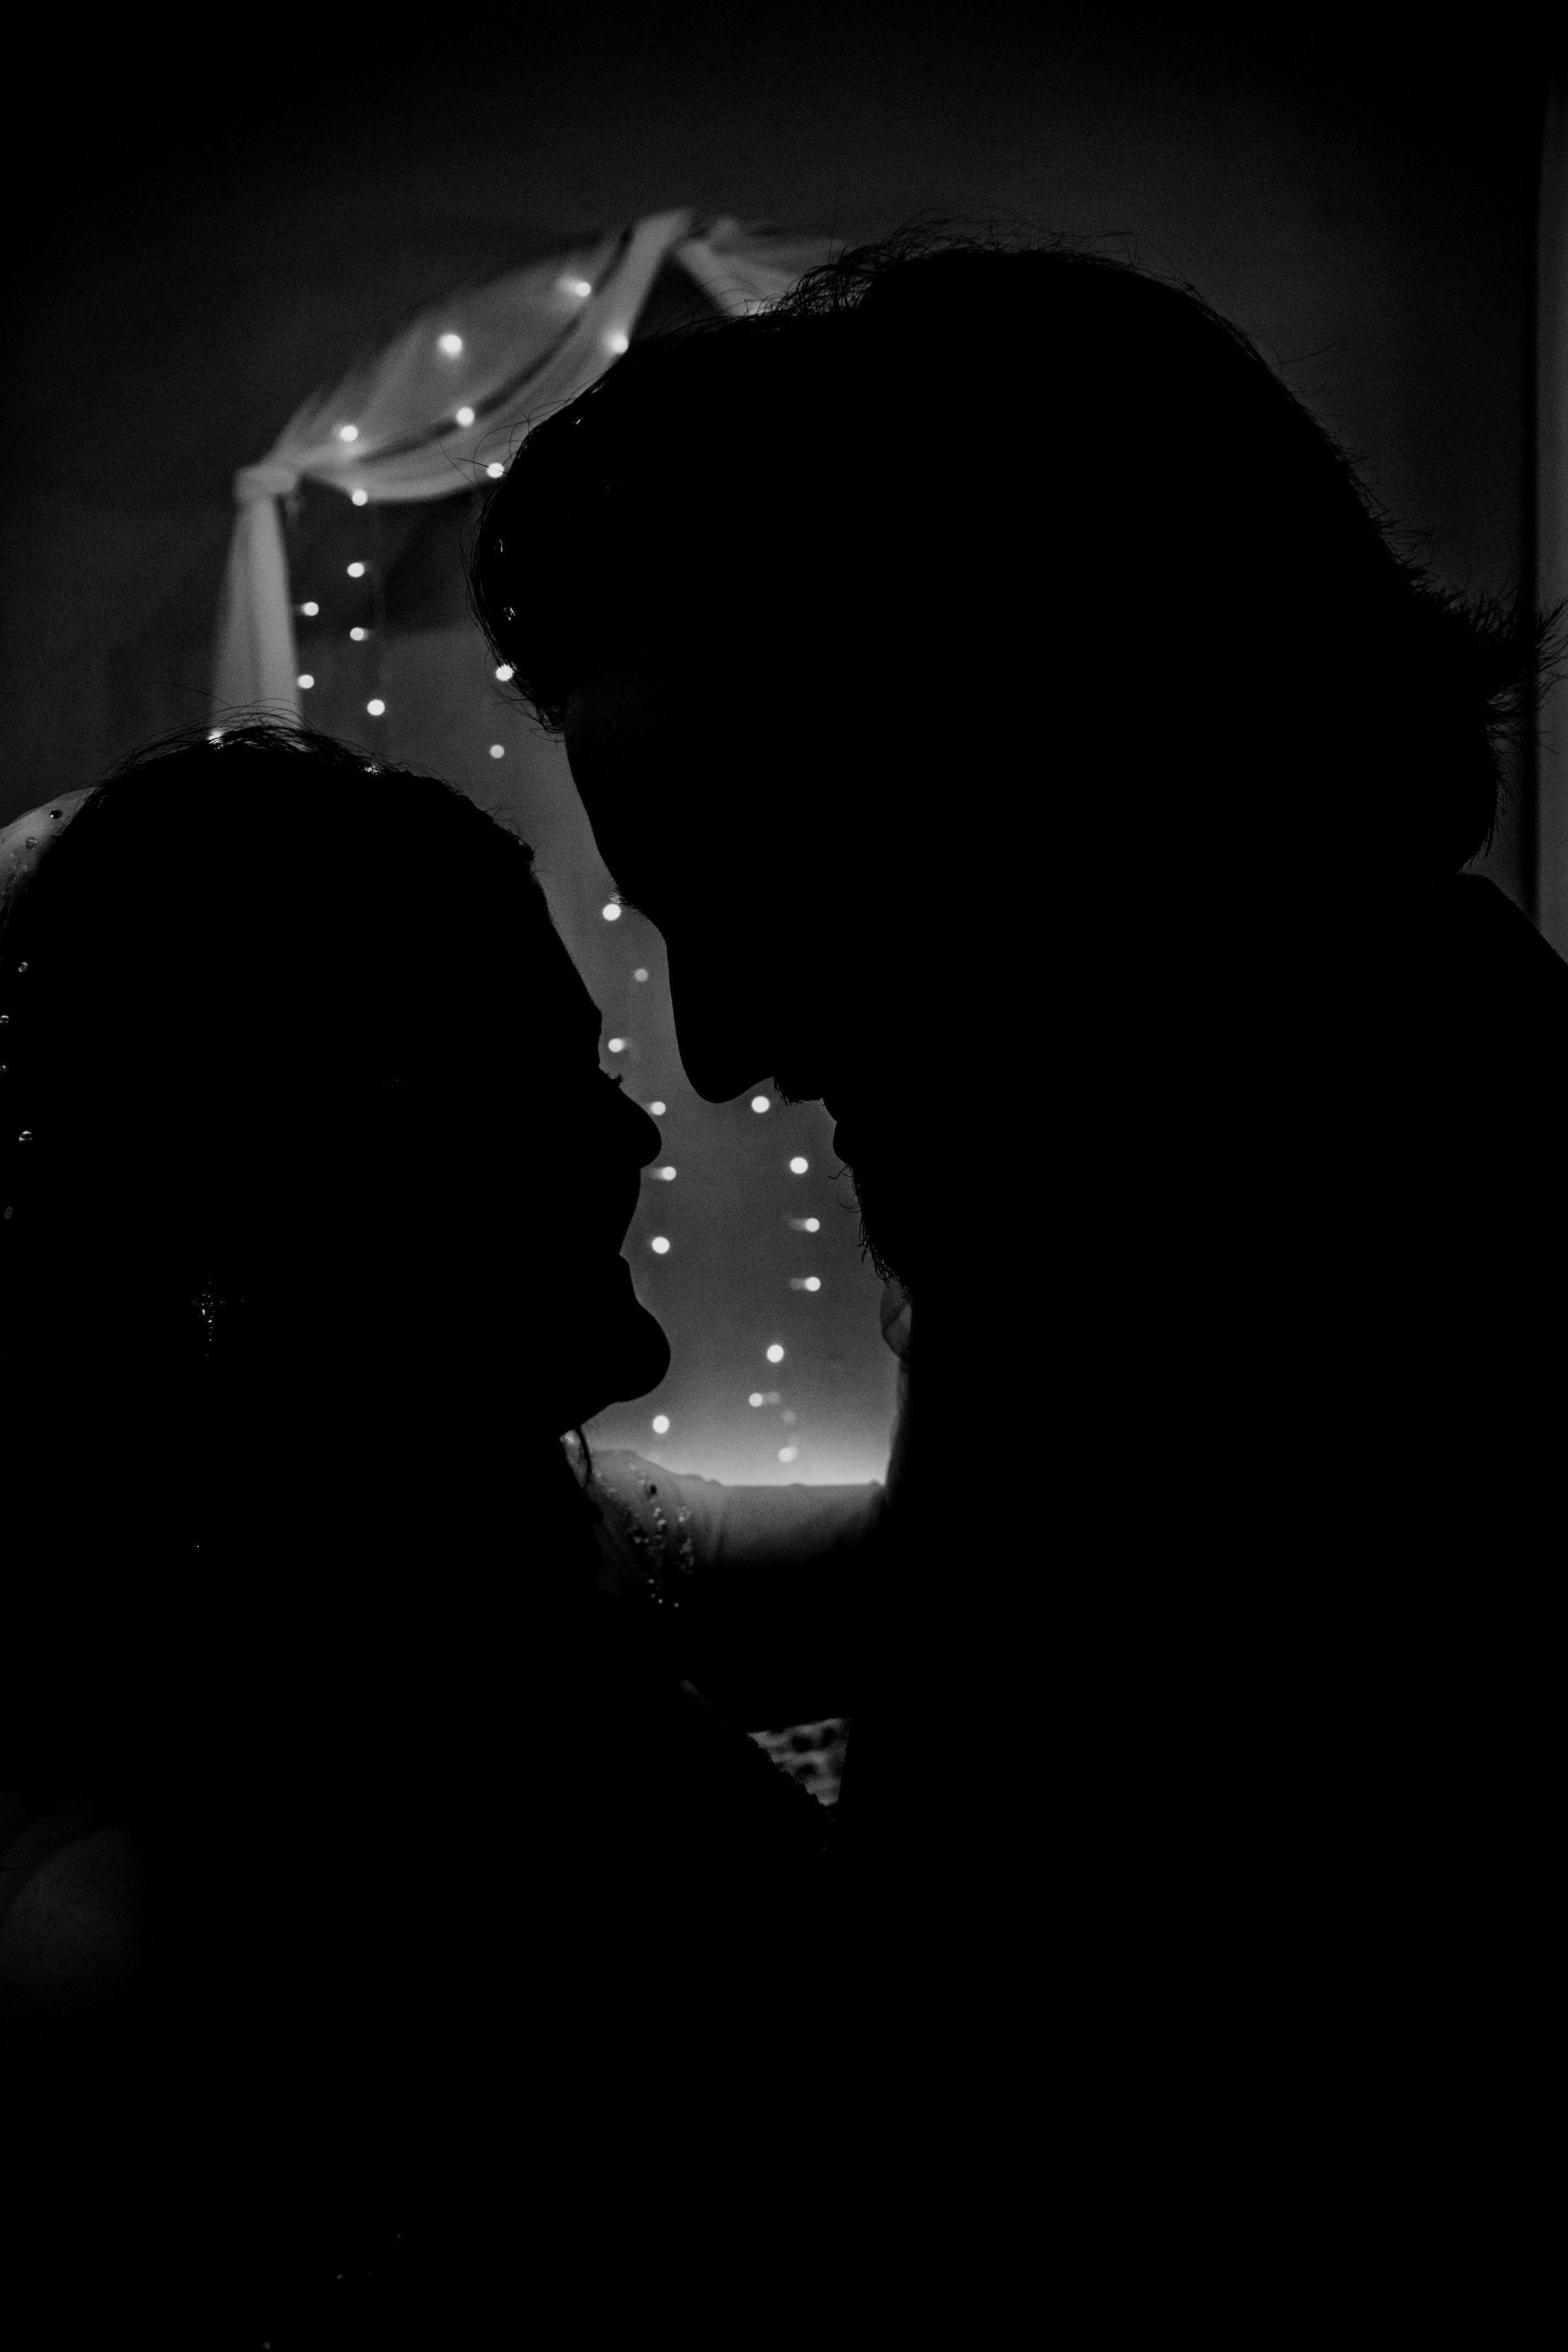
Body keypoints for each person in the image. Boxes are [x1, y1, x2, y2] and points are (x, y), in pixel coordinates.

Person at [469, 221, 1567, 2191]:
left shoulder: (1380, 1316)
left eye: (769, 892)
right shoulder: (1177, 1221)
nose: (723, 1052)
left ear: (1090, 777)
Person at [0, 721, 885, 2342]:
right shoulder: (127, 1922)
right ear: (245, 1162)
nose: (636, 1131)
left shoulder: (478, 1535)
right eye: (536, 1073)